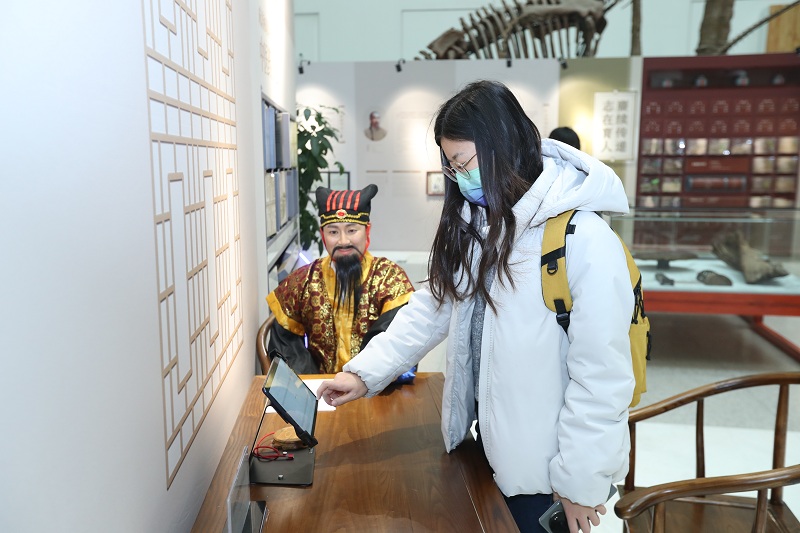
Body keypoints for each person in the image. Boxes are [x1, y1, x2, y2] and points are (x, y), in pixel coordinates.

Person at [317, 80, 635, 533]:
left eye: (464, 163)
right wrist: (363, 373)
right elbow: (432, 308)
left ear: (503, 146)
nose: (459, 177)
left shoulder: (584, 240)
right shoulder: (483, 225)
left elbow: (602, 377)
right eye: (451, 167)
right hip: (489, 451)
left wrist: (580, 483)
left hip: (547, 477)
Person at [266, 184, 415, 375]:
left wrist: (362, 379)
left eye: (352, 230)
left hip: (375, 385)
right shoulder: (303, 281)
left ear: (367, 231)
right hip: (320, 387)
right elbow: (285, 346)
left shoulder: (390, 280)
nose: (343, 241)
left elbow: (397, 344)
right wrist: (312, 384)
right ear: (323, 235)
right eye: (333, 232)